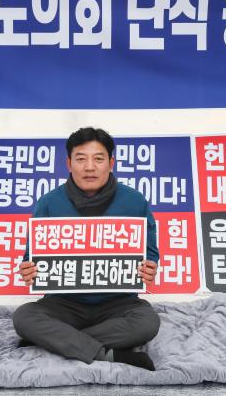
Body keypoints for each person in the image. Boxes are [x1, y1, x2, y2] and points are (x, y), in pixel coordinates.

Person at [12, 127, 160, 371]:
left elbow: (150, 252)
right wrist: (29, 269)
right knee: (24, 317)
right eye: (81, 159)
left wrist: (150, 267)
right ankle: (107, 354)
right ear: (69, 164)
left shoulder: (134, 201)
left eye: (98, 159)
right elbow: (32, 256)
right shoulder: (49, 202)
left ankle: (57, 341)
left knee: (148, 322)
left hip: (118, 303)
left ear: (111, 163)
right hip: (63, 304)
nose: (89, 167)